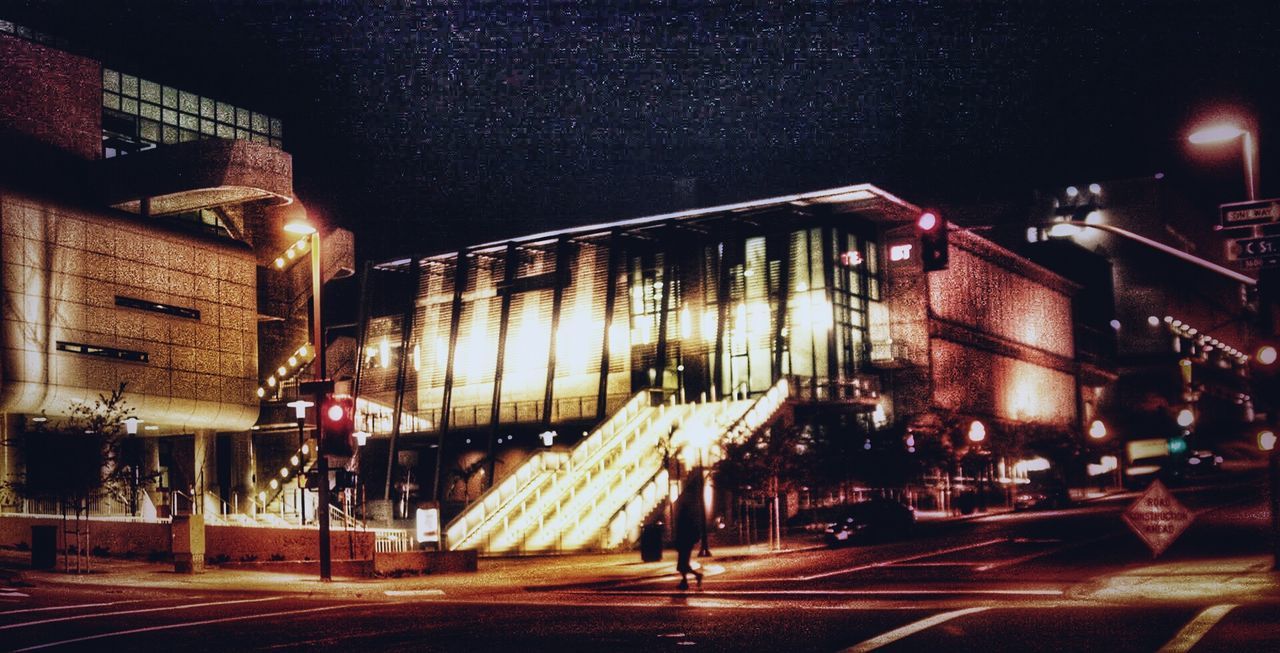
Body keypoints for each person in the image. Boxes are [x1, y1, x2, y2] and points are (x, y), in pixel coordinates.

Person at [673, 469, 704, 590]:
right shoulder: (689, 515)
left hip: (684, 542)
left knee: (682, 564)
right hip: (687, 542)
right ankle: (685, 581)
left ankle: (696, 576)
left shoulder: (684, 517)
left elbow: (682, 530)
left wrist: (678, 540)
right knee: (682, 564)